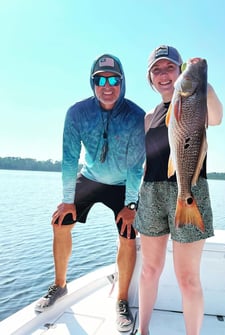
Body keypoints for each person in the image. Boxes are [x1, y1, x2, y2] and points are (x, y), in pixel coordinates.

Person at [35, 53, 145, 332]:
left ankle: (121, 301)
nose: (107, 86)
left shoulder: (136, 117)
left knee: (128, 233)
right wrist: (68, 200)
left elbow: (135, 166)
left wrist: (131, 205)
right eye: (100, 80)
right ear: (92, 82)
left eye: (114, 80)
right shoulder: (76, 113)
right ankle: (60, 285)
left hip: (122, 184)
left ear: (123, 82)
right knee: (60, 222)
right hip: (91, 177)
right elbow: (70, 158)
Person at [134, 45, 223, 335]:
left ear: (180, 70)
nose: (163, 74)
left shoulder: (195, 99)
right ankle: (143, 330)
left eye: (169, 67)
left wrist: (201, 80)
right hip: (151, 194)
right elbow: (147, 163)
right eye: (156, 70)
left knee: (188, 279)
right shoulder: (149, 117)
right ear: (150, 78)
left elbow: (218, 117)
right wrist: (137, 201)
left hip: (189, 190)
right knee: (149, 270)